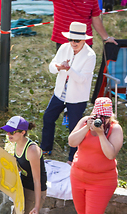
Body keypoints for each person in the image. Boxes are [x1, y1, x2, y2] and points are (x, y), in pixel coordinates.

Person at [68, 97, 123, 214]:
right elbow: (72, 142)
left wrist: (100, 134)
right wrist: (86, 127)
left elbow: (110, 154)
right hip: (78, 176)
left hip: (102, 180)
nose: (102, 119)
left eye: (105, 117)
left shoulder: (115, 129)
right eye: (99, 115)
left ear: (110, 116)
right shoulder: (85, 121)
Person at [41, 22, 96, 163]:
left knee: (74, 127)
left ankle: (73, 157)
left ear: (84, 40)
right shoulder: (65, 47)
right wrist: (58, 67)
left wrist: (68, 69)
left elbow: (83, 79)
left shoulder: (90, 55)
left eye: (77, 40)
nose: (73, 43)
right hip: (60, 93)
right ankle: (45, 148)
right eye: (71, 39)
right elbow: (51, 66)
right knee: (48, 118)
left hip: (77, 97)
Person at [51, 0, 117, 49]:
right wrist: (106, 38)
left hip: (81, 41)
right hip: (68, 41)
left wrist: (106, 38)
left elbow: (95, 18)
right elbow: (95, 18)